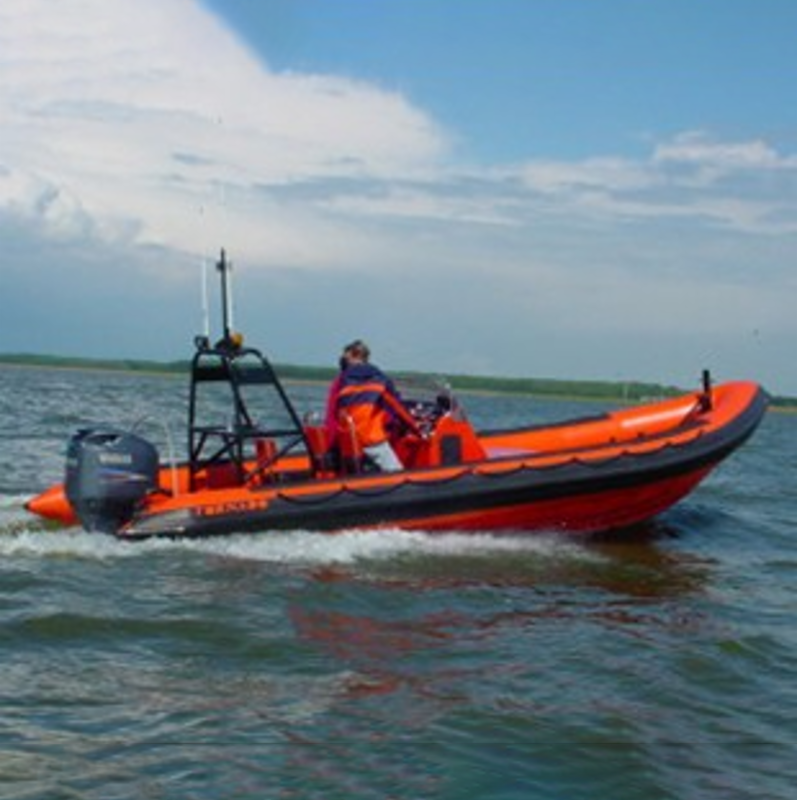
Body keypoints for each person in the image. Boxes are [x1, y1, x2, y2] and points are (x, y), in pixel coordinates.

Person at [334, 339, 420, 472]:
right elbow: (398, 408)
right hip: (371, 439)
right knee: (397, 472)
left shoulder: (344, 383)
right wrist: (416, 428)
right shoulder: (379, 379)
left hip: (350, 440)